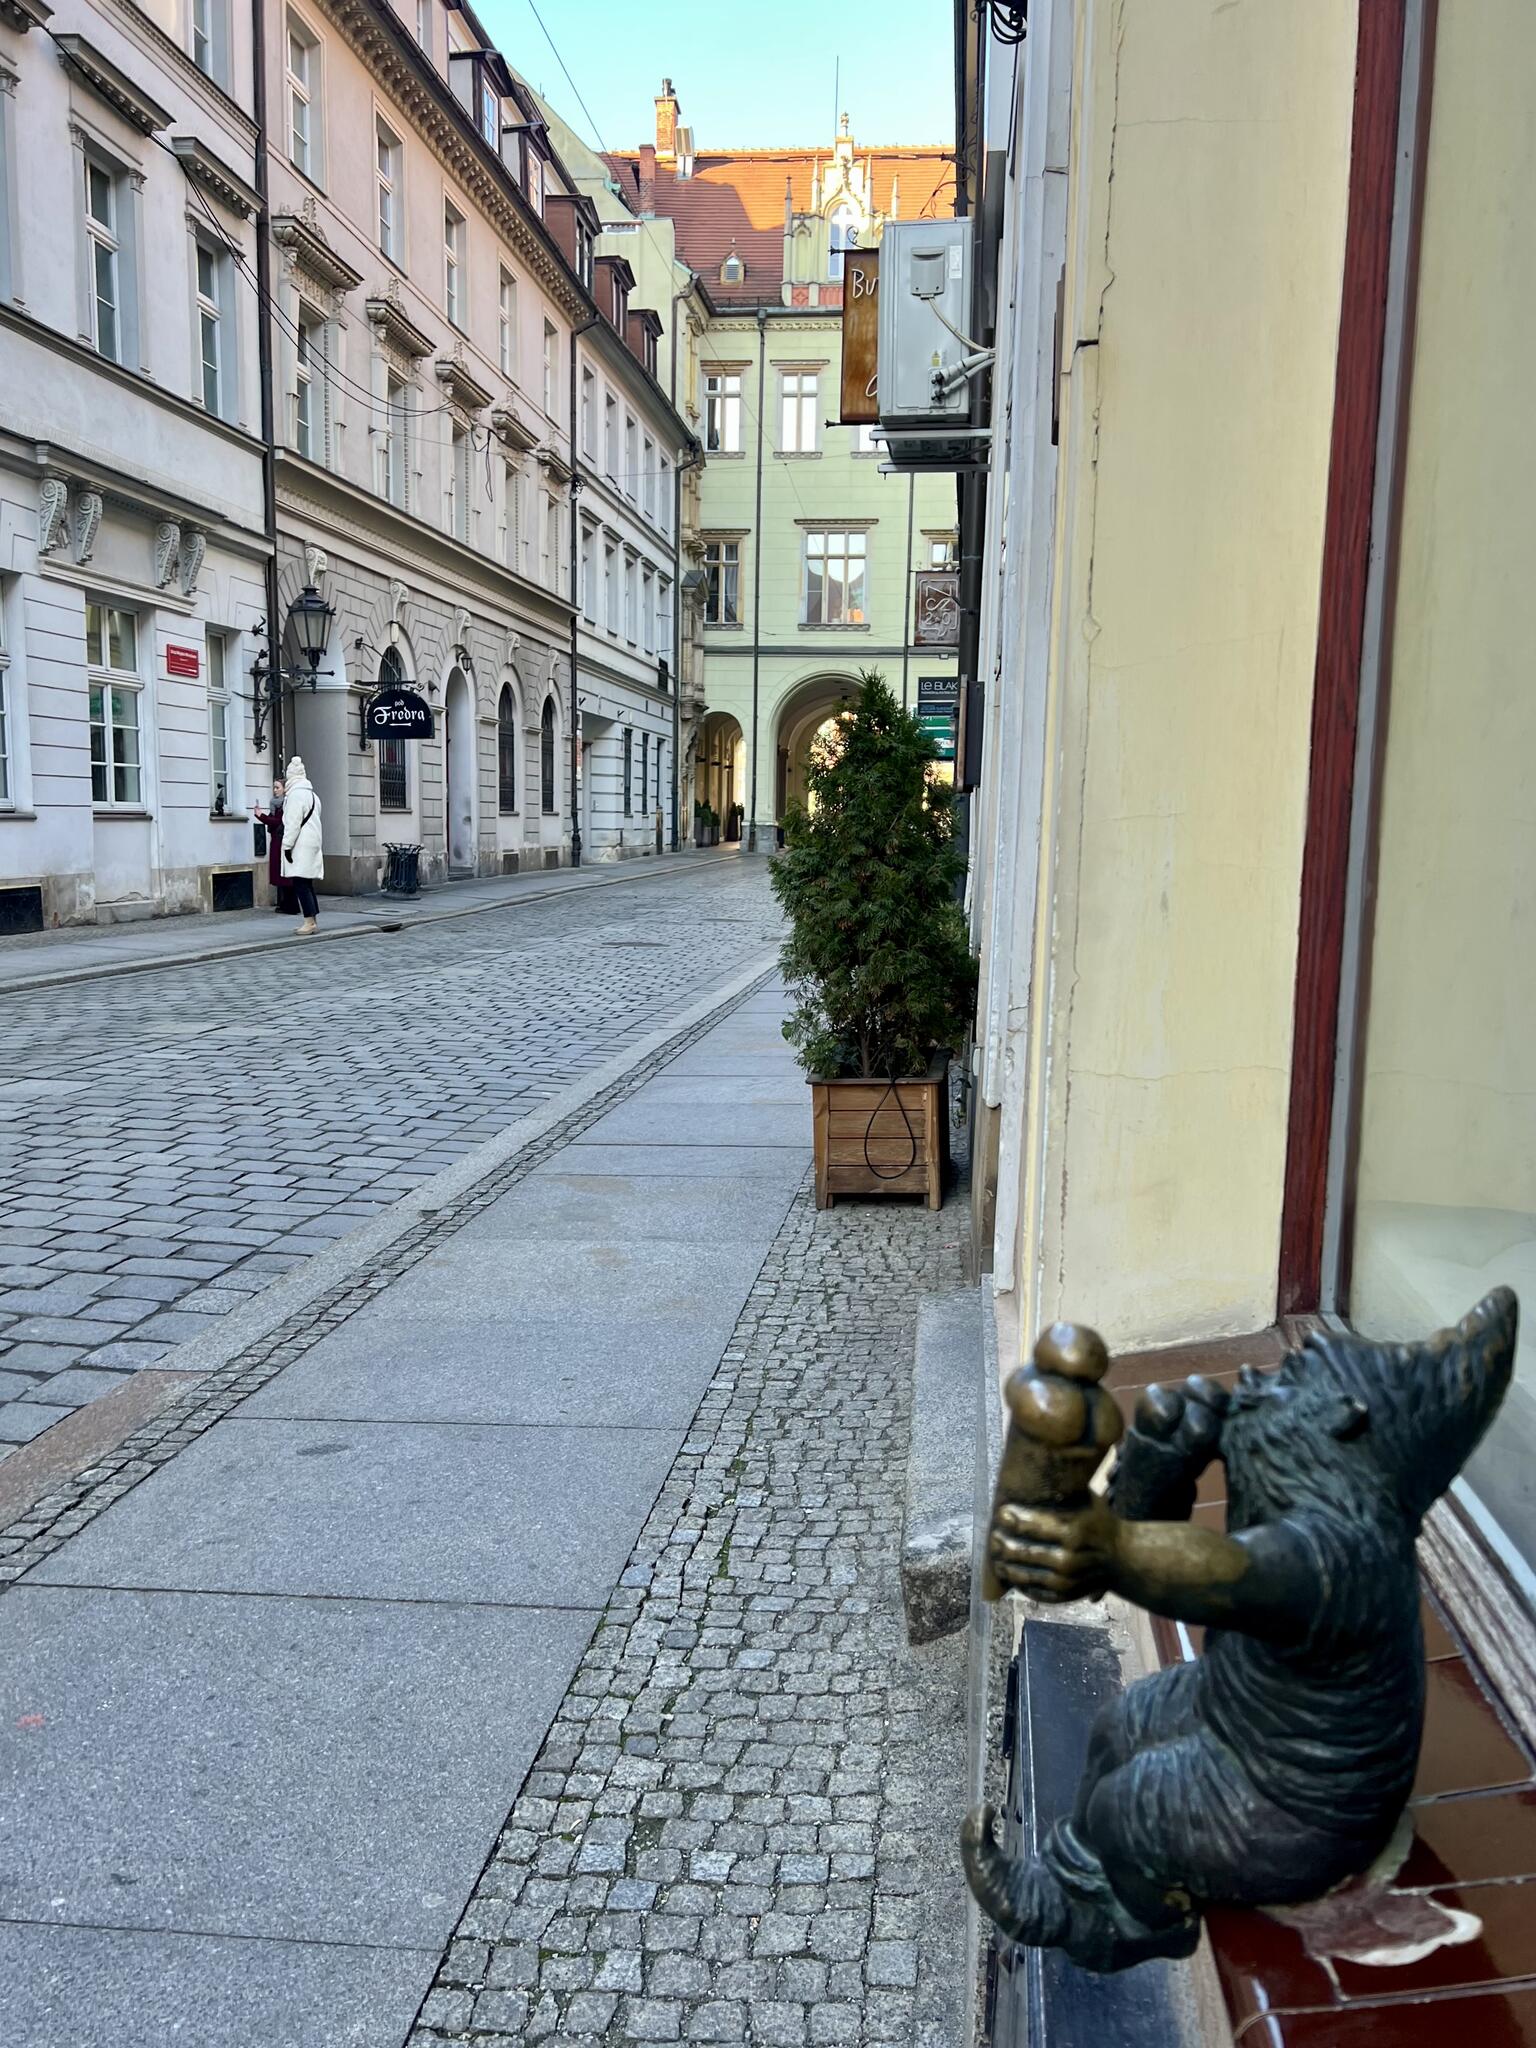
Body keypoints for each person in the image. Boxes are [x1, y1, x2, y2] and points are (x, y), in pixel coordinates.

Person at [280, 755, 324, 935]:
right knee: (307, 882)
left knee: (300, 883)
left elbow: (292, 824)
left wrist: (286, 846)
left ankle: (309, 922)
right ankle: (313, 920)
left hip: (300, 843)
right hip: (313, 842)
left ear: (290, 776)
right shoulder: (313, 795)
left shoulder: (295, 796)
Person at [253, 778, 298, 914]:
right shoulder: (276, 804)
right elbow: (273, 820)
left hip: (282, 842)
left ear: (284, 789)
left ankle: (290, 905)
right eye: (274, 787)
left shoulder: (286, 804)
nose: (275, 790)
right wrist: (262, 816)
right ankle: (285, 903)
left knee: (285, 874)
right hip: (277, 841)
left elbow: (277, 821)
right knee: (280, 873)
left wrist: (261, 816)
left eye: (277, 787)